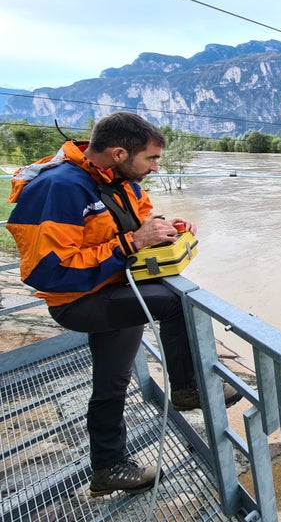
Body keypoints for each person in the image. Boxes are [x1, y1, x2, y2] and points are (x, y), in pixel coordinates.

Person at [6, 112, 240, 497]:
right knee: (178, 302)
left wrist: (164, 228)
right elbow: (50, 273)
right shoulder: (59, 189)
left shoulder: (120, 181)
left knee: (110, 385)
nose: (154, 167)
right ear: (118, 153)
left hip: (117, 290)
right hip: (80, 301)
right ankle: (186, 389)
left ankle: (109, 469)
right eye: (151, 159)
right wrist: (132, 244)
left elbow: (138, 220)